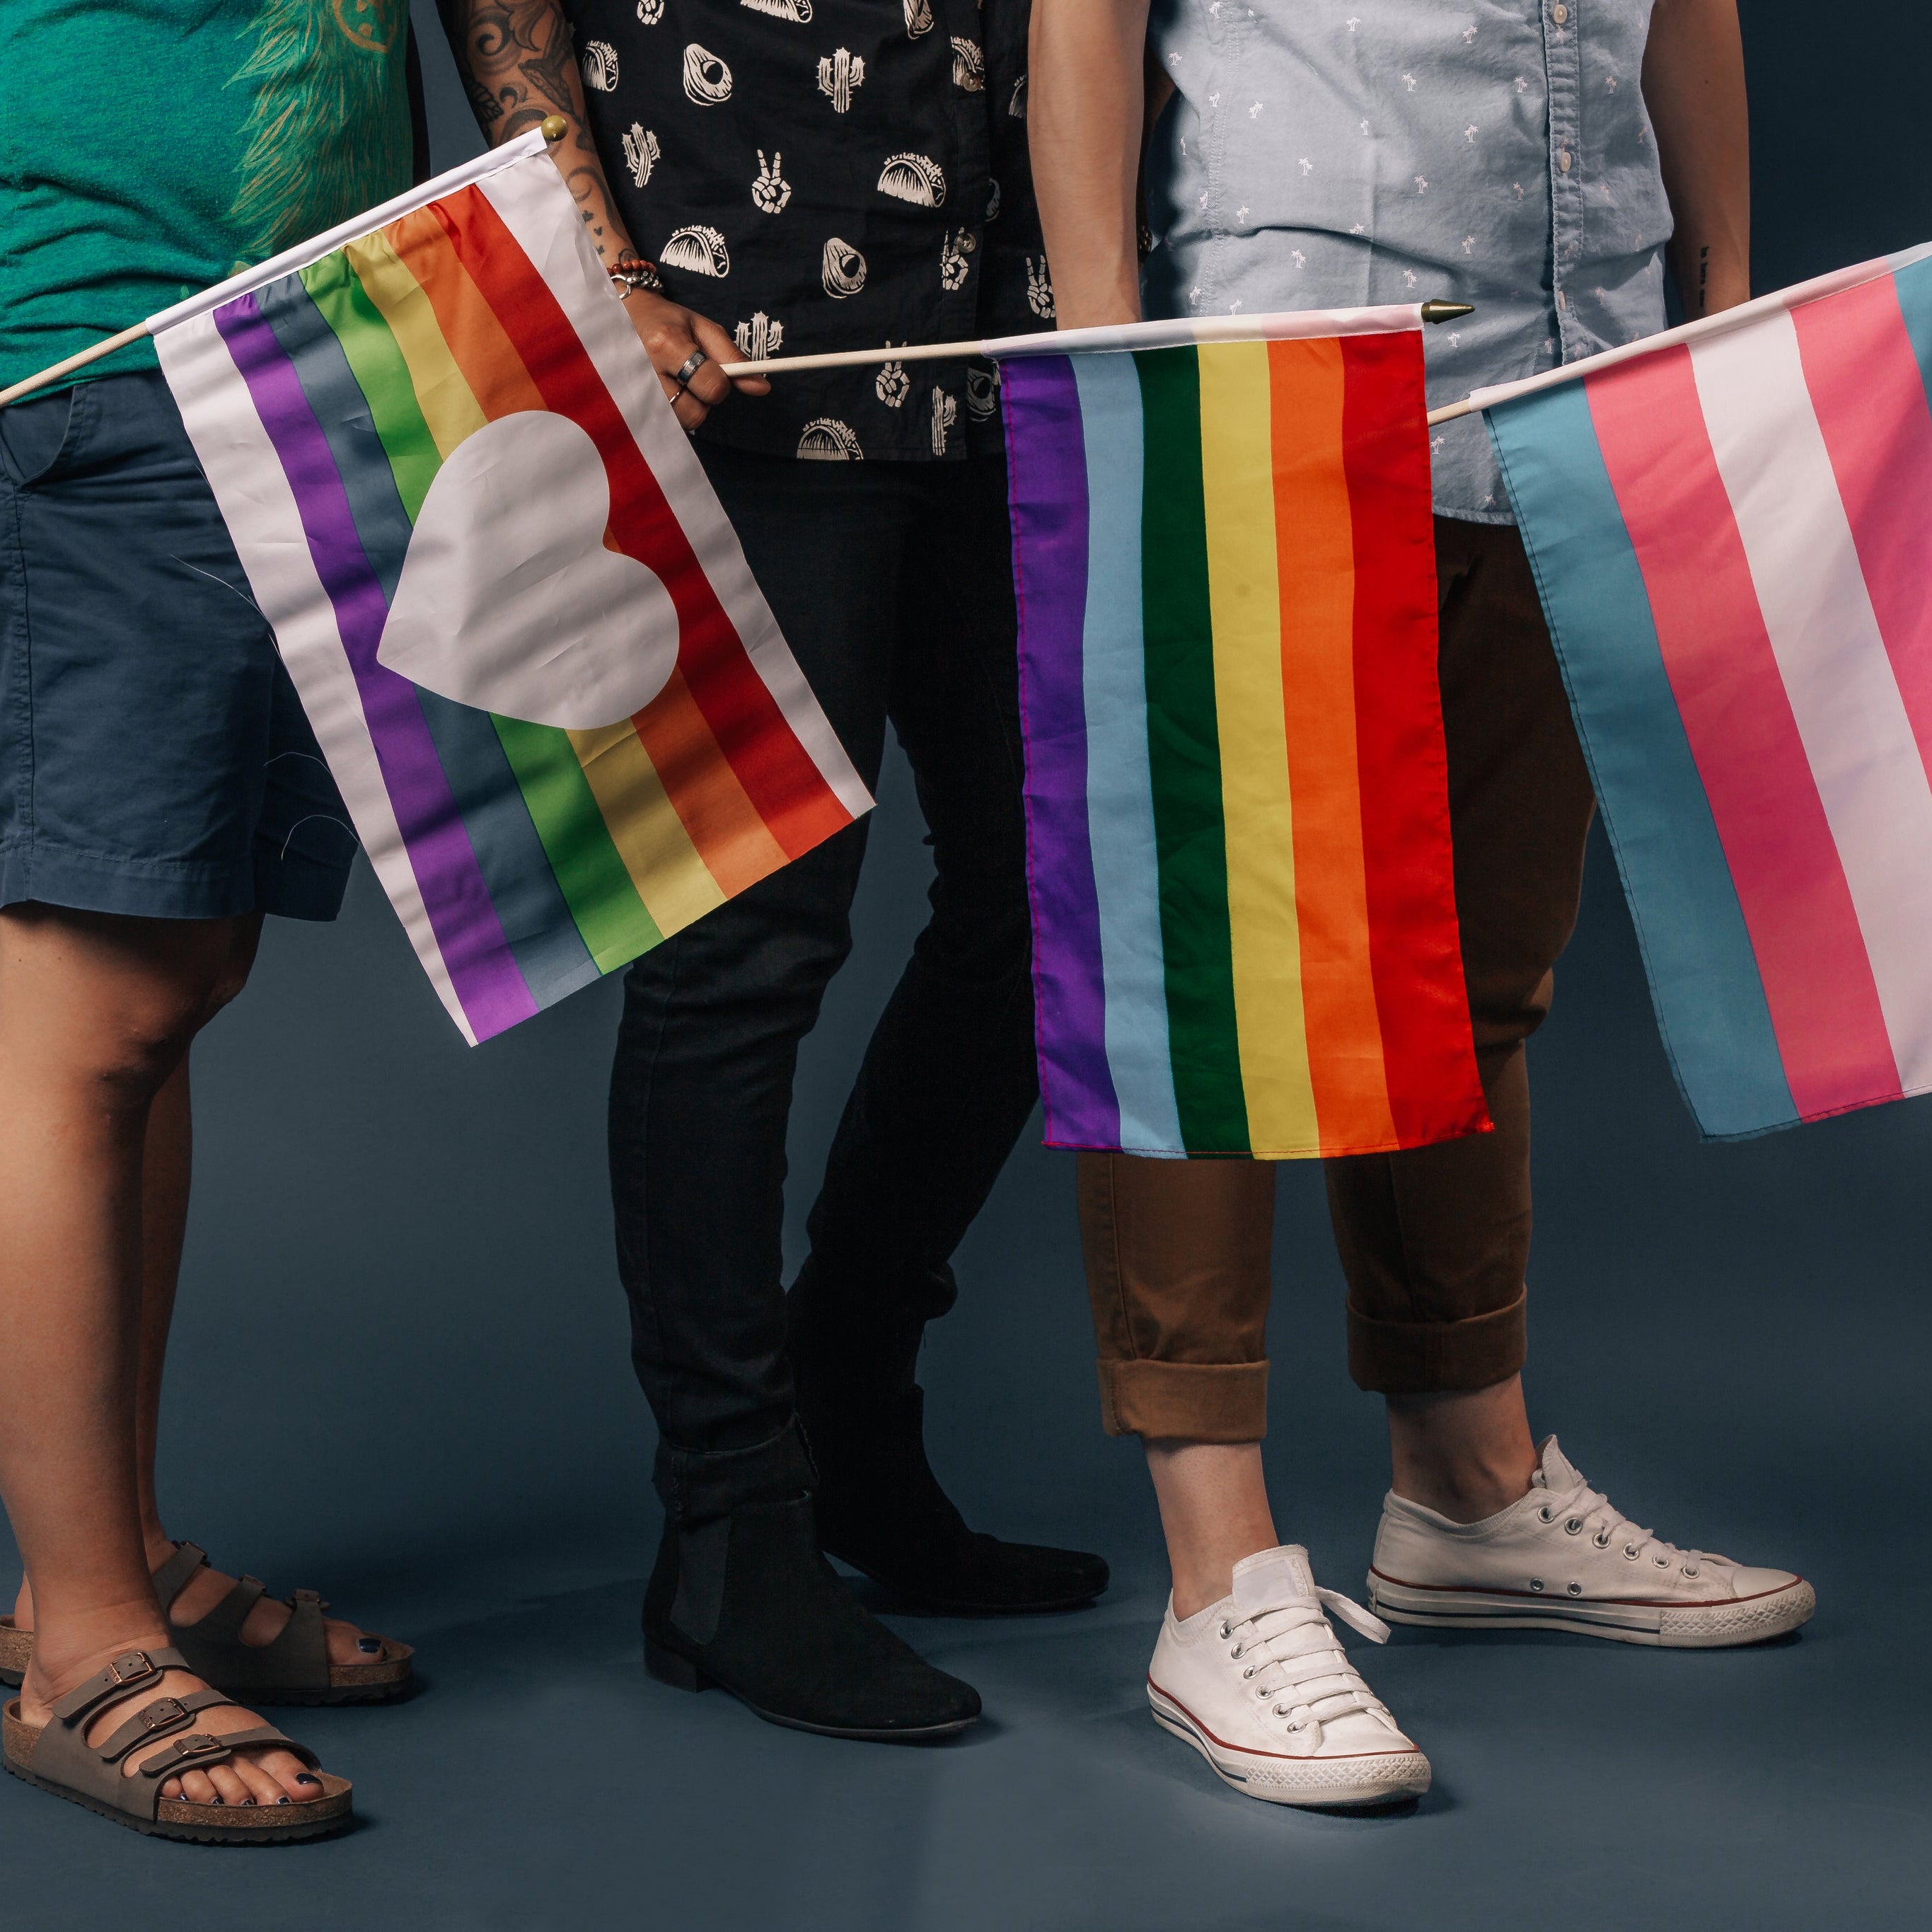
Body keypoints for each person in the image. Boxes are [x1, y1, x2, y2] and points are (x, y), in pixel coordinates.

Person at [1029, 0, 1812, 1807]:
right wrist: (1100, 352)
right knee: (1210, 976)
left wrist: (1724, 280)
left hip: (1563, 366)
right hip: (1282, 359)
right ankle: (1215, 1575)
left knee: (1476, 964)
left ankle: (1467, 1487)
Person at [443, 0, 1107, 1740]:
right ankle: (731, 1529)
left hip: (997, 322)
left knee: (1050, 893)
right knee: (747, 936)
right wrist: (600, 269)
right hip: (743, 330)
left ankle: (850, 1400)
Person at [0, 0, 426, 1844]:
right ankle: (79, 1634)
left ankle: (115, 1551)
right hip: (90, 355)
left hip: (282, 363)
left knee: (172, 980)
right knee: (83, 1011)